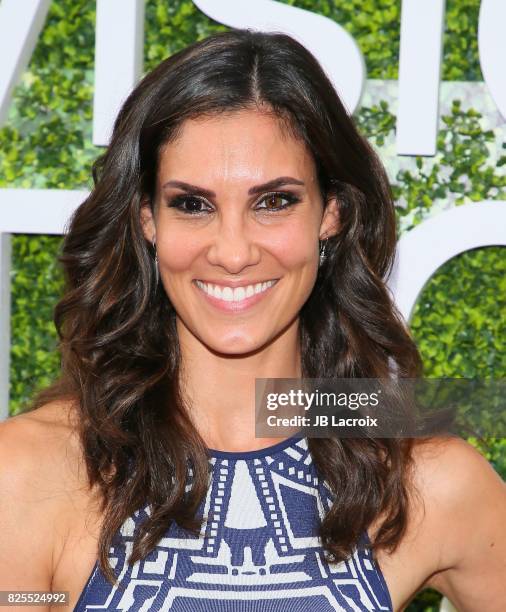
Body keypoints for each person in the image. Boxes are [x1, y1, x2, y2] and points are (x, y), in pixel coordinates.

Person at [0, 29, 504, 612]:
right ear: (146, 221)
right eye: (192, 204)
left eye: (275, 201)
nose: (233, 252)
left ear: (332, 214)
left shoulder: (427, 480)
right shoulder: (28, 475)